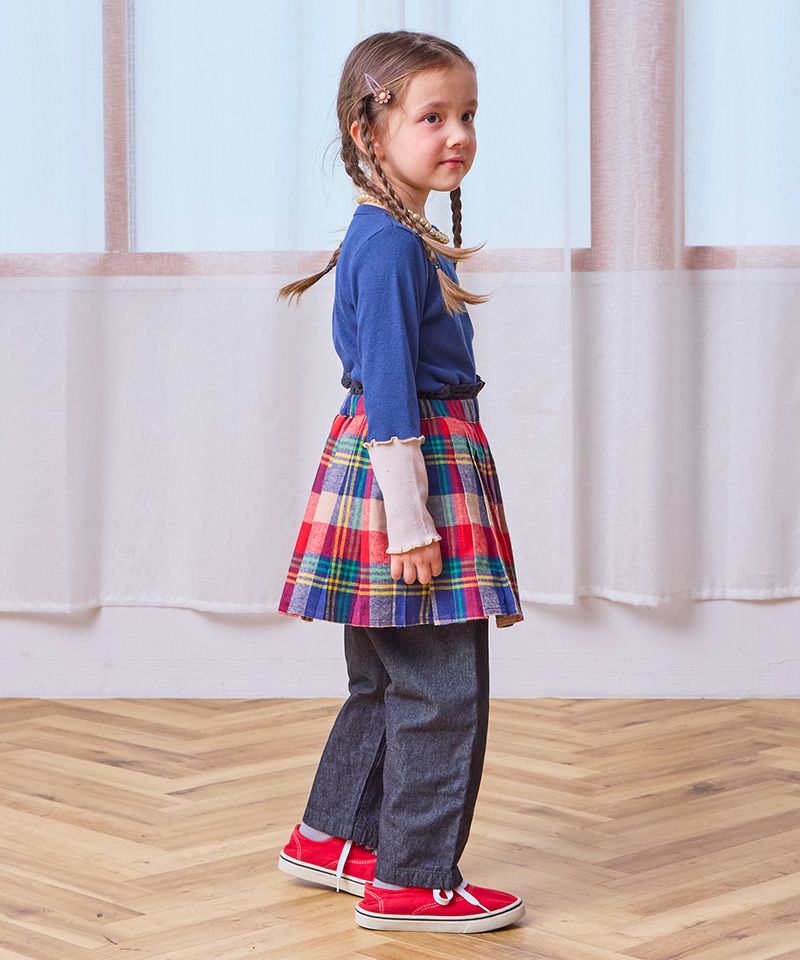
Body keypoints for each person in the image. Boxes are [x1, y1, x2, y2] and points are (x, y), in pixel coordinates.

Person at [275, 30, 526, 935]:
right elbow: (389, 388)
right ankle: (412, 880)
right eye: (433, 117)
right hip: (407, 472)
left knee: (389, 677)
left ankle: (335, 837)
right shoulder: (387, 245)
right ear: (368, 131)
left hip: (397, 468)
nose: (457, 134)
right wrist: (411, 520)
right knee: (440, 688)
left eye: (468, 115)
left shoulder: (390, 235)